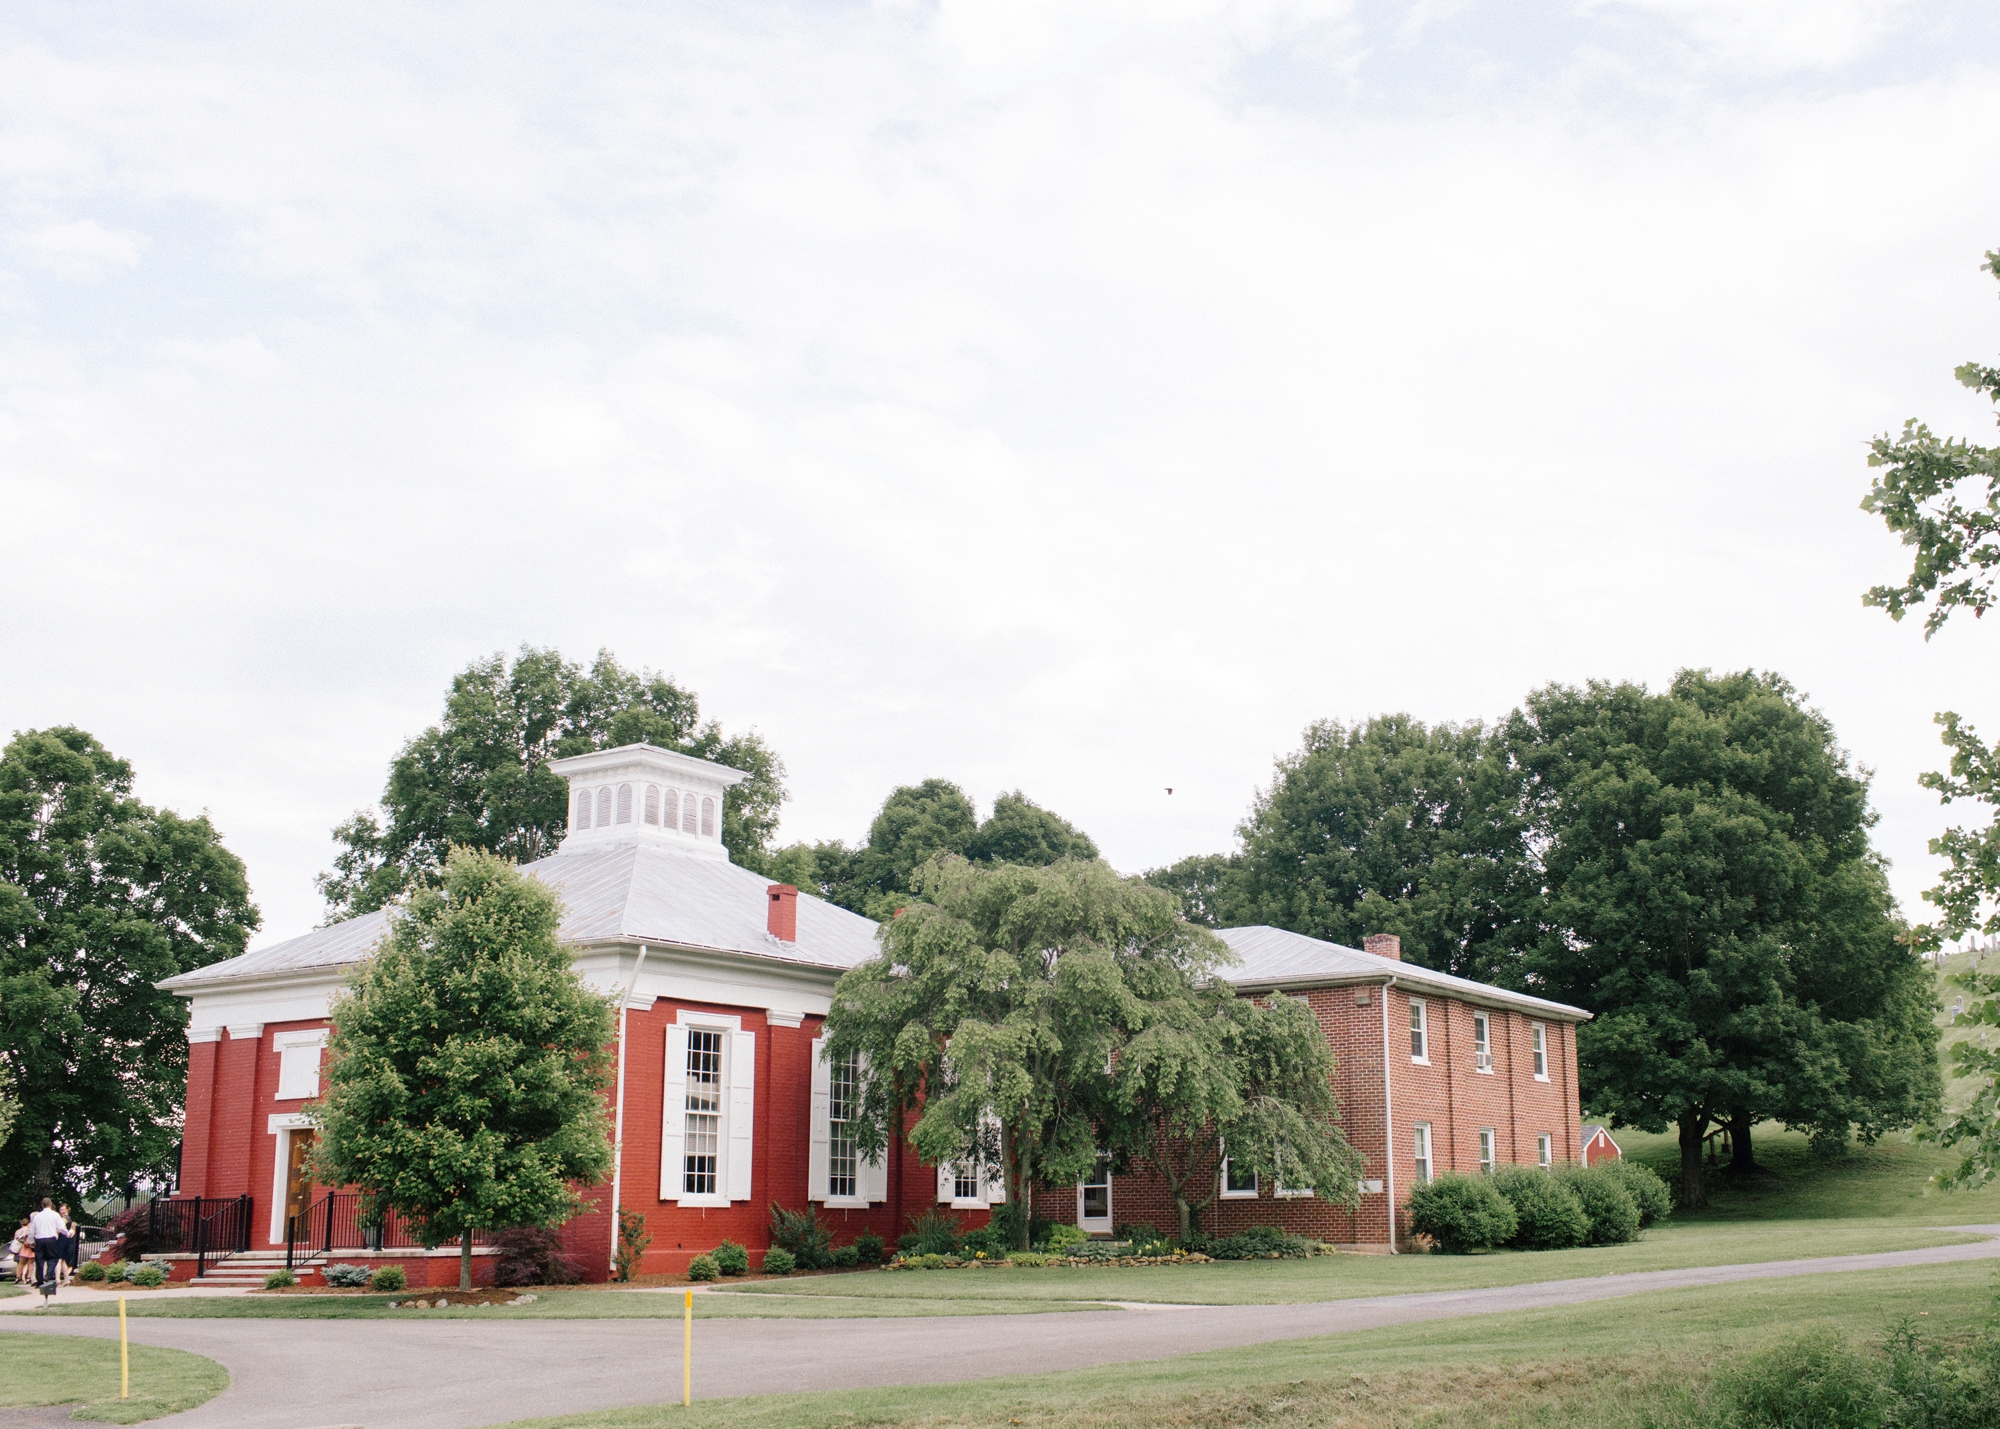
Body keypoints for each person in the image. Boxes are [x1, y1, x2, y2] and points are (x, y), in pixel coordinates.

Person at [28, 1199, 65, 1295]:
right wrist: (67, 1232)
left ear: (42, 1205)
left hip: (39, 1239)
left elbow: (32, 1230)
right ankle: (48, 1275)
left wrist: (31, 1241)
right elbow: (61, 1227)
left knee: (39, 1260)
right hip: (51, 1239)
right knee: (53, 1258)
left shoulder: (37, 1216)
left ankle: (39, 1281)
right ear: (51, 1204)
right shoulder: (55, 1215)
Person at [56, 1205, 77, 1286]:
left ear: (68, 1209)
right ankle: (66, 1279)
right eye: (60, 1210)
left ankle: (57, 1279)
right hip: (66, 1239)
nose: (62, 1211)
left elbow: (59, 1228)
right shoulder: (69, 1218)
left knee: (58, 1259)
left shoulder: (65, 1218)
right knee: (63, 1260)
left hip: (62, 1239)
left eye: (63, 1209)